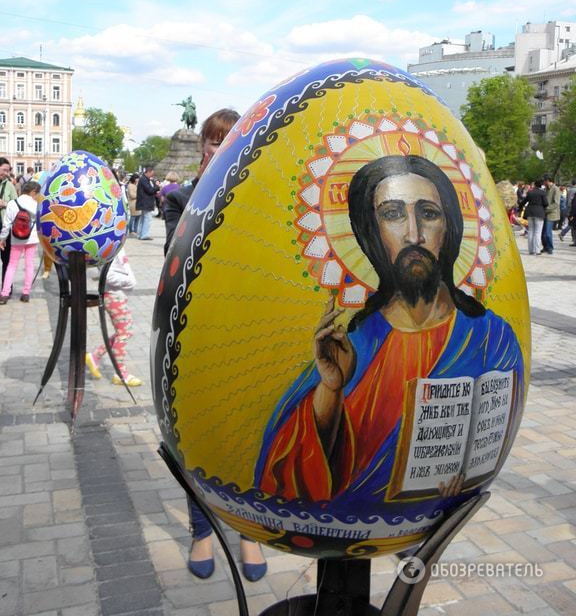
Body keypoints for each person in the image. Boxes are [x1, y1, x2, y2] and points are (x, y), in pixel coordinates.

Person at [255, 155, 524, 505]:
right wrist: (331, 389)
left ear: (450, 227)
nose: (414, 234)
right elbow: (286, 476)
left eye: (428, 213)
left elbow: (494, 431)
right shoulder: (354, 342)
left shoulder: (492, 339)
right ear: (373, 233)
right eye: (393, 214)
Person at [163, 108, 265, 581]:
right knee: (194, 437)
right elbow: (176, 257)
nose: (215, 147)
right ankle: (202, 530)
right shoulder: (182, 197)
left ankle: (251, 532)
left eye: (227, 140)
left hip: (244, 332)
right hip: (191, 335)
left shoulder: (258, 197)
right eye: (210, 140)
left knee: (248, 436)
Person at [164, 109, 240, 254]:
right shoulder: (178, 199)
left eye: (233, 143)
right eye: (217, 143)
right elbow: (173, 252)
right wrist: (203, 189)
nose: (225, 150)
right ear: (202, 145)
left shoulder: (253, 194)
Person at [85, 250, 143, 386]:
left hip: (117, 295)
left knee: (123, 332)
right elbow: (108, 276)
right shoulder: (110, 247)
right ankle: (120, 373)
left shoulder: (117, 245)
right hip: (113, 295)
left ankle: (95, 356)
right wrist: (130, 282)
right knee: (124, 333)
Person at [0, 180, 41, 304]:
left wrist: (2, 239)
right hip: (32, 238)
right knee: (29, 265)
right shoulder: (36, 205)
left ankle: (4, 294)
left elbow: (6, 224)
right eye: (38, 193)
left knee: (11, 265)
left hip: (16, 238)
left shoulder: (13, 203)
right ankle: (26, 293)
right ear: (33, 192)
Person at [0, 158, 18, 290]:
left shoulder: (9, 185)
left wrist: (4, 204)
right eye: (4, 170)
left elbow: (17, 206)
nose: (6, 173)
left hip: (5, 228)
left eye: (8, 170)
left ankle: (6, 290)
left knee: (6, 260)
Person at [523, 179, 548, 255]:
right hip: (539, 213)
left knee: (530, 231)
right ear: (540, 185)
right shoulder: (542, 193)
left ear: (535, 185)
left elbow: (524, 201)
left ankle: (531, 250)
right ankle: (537, 250)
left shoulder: (530, 192)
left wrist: (520, 207)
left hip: (530, 212)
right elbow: (546, 203)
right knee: (538, 232)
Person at [136, 167, 158, 240]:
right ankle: (145, 234)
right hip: (146, 202)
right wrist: (157, 187)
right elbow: (150, 190)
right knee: (147, 219)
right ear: (148, 172)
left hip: (144, 202)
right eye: (152, 173)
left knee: (143, 218)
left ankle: (140, 234)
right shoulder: (144, 179)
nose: (152, 175)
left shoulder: (144, 179)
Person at [542, 174, 560, 254]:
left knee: (548, 233)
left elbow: (556, 203)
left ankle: (550, 248)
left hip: (551, 214)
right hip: (544, 213)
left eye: (544, 181)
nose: (543, 182)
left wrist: (546, 209)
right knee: (543, 233)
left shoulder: (556, 189)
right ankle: (545, 247)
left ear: (548, 181)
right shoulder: (545, 189)